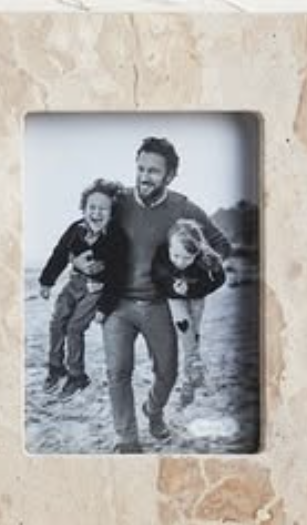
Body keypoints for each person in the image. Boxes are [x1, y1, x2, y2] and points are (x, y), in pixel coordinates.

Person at [98, 136, 230, 451]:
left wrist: (190, 282)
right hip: (117, 305)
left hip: (161, 306)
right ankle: (126, 438)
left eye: (154, 171)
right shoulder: (118, 204)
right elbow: (89, 232)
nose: (144, 177)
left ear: (169, 176)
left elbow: (221, 246)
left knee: (167, 373)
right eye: (141, 168)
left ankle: (154, 411)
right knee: (118, 372)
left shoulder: (183, 208)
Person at [36, 180, 117, 393]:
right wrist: (46, 281)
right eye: (92, 207)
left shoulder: (116, 238)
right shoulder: (75, 229)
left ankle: (77, 375)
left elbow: (119, 273)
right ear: (84, 208)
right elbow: (60, 254)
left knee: (74, 328)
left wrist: (104, 307)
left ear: (111, 213)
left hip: (97, 289)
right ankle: (55, 367)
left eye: (103, 209)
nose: (96, 213)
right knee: (57, 322)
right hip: (74, 284)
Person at [160, 214, 229, 409]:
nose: (180, 262)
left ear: (197, 252)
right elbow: (156, 276)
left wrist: (194, 290)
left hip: (197, 298)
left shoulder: (206, 259)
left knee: (194, 335)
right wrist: (172, 288)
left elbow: (219, 279)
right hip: (175, 298)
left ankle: (188, 383)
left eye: (187, 258)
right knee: (184, 328)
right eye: (176, 256)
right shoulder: (163, 256)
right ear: (169, 248)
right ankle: (194, 364)